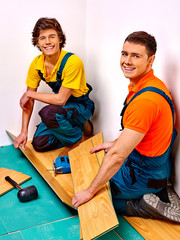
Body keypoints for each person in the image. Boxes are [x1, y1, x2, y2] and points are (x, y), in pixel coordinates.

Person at [72, 31, 180, 222]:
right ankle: (161, 189)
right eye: (124, 54)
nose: (127, 61)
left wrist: (89, 191)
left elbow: (117, 157)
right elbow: (142, 132)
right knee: (101, 165)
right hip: (157, 167)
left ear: (150, 60)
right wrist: (115, 142)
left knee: (97, 199)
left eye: (136, 56)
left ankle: (141, 205)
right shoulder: (151, 85)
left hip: (144, 174)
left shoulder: (145, 101)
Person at [14, 17, 94, 152]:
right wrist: (23, 131)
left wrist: (29, 93)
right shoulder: (36, 65)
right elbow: (29, 102)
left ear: (60, 39)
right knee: (38, 144)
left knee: (48, 113)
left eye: (52, 37)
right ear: (37, 42)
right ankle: (78, 126)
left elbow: (61, 99)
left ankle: (76, 138)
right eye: (42, 38)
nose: (48, 42)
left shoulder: (73, 62)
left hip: (81, 105)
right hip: (63, 109)